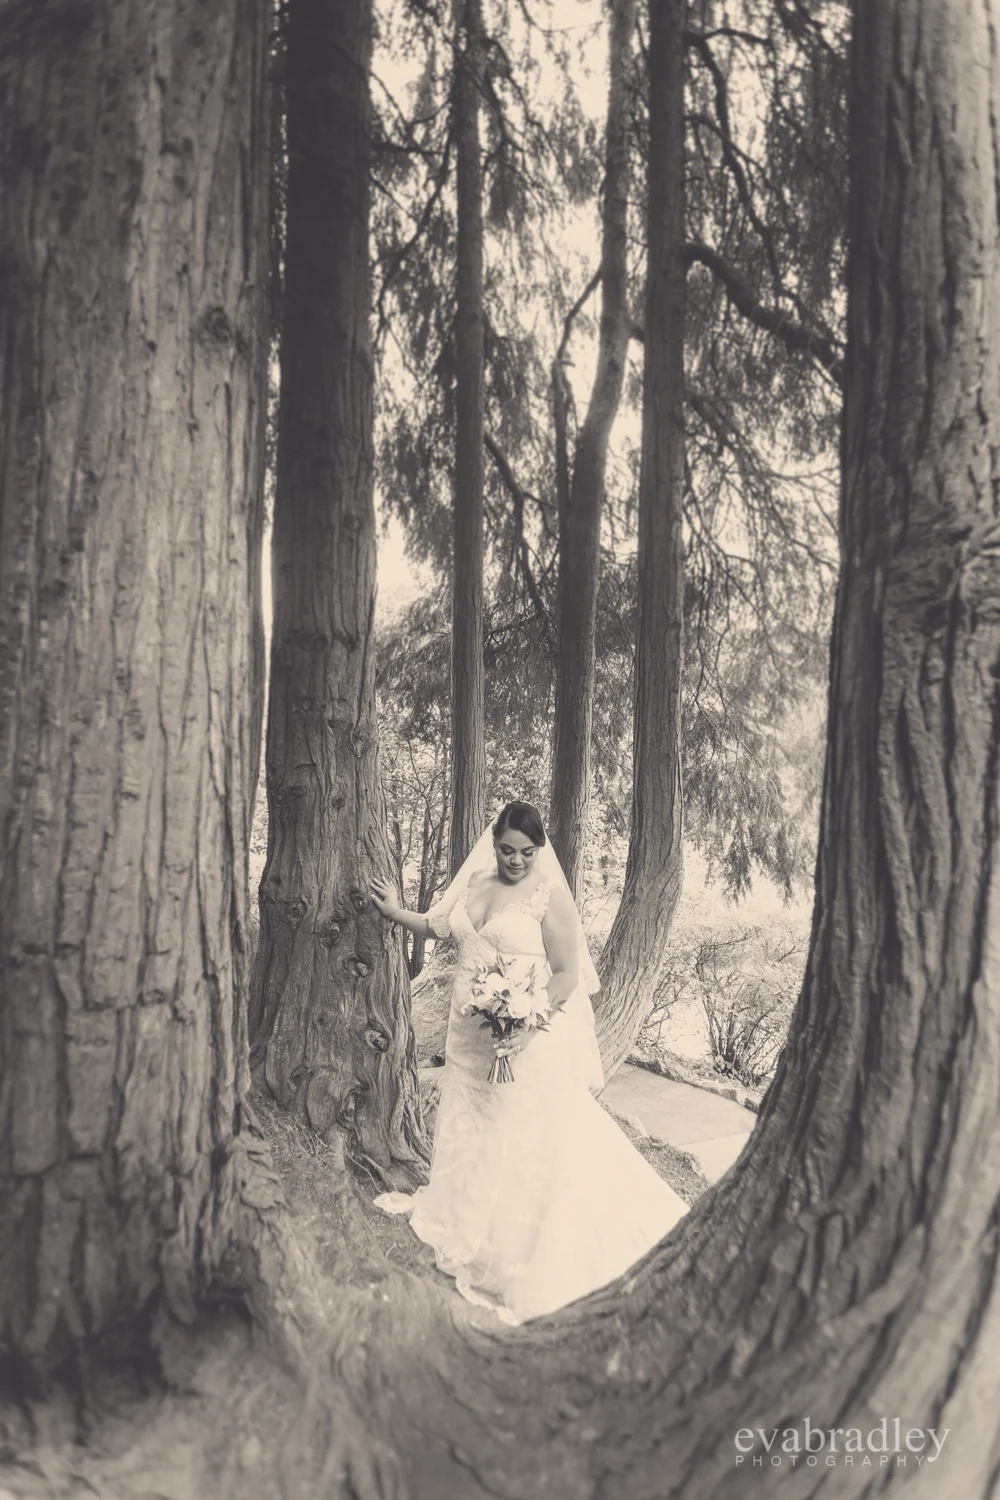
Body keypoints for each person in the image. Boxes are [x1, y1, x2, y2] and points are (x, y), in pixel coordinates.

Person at [369, 800, 688, 1324]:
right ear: (492, 844)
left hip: (524, 1038)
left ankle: (514, 1238)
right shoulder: (474, 883)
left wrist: (528, 1025)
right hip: (467, 1038)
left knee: (523, 1133)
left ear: (540, 850)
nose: (515, 860)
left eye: (526, 852)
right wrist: (393, 912)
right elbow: (438, 927)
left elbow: (566, 975)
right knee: (473, 1123)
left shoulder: (550, 896)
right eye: (506, 850)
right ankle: (464, 1217)